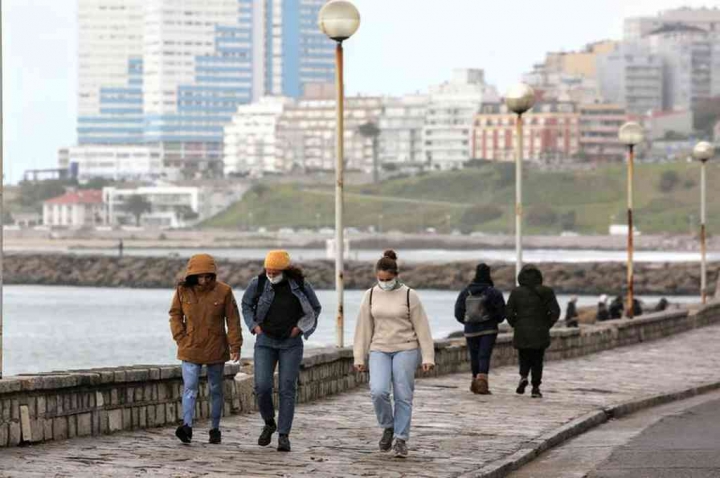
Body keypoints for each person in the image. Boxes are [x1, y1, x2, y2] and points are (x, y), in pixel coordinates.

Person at [354, 250, 435, 458]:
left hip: (406, 348)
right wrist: (359, 357)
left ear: (396, 276)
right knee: (378, 391)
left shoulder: (409, 295)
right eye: (380, 279)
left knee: (403, 395)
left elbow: (422, 328)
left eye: (388, 279)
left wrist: (428, 357)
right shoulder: (370, 295)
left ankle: (401, 439)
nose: (384, 283)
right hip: (379, 348)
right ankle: (388, 426)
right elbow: (363, 328)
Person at [241, 250, 321, 453]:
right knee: (262, 386)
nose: (271, 274)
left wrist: (300, 328)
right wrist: (253, 326)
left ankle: (284, 435)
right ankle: (269, 422)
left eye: (275, 271)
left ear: (284, 270)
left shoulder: (300, 284)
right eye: (268, 270)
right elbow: (246, 304)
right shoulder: (258, 283)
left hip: (291, 343)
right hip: (265, 341)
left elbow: (315, 308)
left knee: (287, 387)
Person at [169, 254, 243, 445]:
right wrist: (180, 337)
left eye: (208, 276)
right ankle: (186, 427)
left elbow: (233, 320)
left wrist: (235, 345)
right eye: (200, 276)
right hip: (190, 346)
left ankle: (215, 429)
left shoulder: (224, 291)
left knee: (215, 389)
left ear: (213, 274)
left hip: (215, 347)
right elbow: (175, 315)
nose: (204, 280)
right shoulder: (182, 291)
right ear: (192, 275)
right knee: (190, 388)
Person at [506, 264, 560, 399]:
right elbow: (555, 312)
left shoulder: (516, 292)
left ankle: (523, 376)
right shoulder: (547, 291)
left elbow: (509, 312)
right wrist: (547, 324)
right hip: (540, 330)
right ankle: (535, 387)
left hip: (522, 330)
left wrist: (516, 324)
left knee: (523, 356)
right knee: (537, 359)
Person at [453, 263, 505, 395]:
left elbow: (458, 312)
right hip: (489, 329)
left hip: (470, 330)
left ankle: (474, 381)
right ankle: (482, 383)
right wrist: (494, 321)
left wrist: (467, 322)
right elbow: (502, 313)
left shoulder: (465, 292)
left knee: (474, 356)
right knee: (484, 355)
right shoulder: (493, 292)